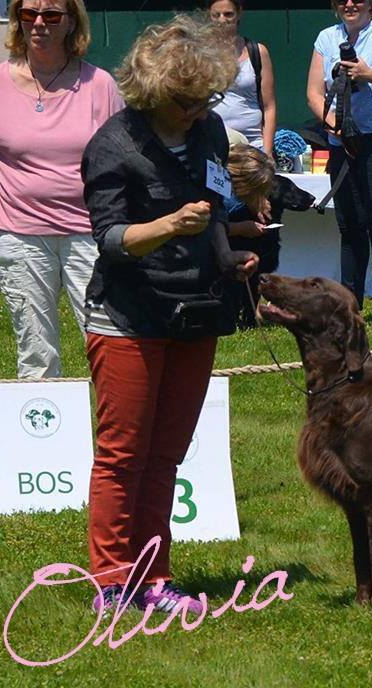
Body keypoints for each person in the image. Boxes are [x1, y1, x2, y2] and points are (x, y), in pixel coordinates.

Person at [81, 15, 258, 614]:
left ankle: (154, 580)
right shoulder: (113, 145)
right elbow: (107, 238)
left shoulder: (208, 134)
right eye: (185, 101)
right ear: (152, 93)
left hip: (193, 313)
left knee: (166, 456)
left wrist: (230, 256)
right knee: (122, 455)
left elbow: (212, 212)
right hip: (128, 316)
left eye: (205, 98)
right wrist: (164, 227)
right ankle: (110, 580)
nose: (196, 111)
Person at [0, 0, 123, 377]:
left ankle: (116, 435)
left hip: (90, 231)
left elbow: (125, 150)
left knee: (108, 344)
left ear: (71, 23)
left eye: (50, 15)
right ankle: (42, 433)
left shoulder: (99, 85)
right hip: (20, 234)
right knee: (36, 355)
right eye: (28, 14)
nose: (38, 24)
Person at [306, 0, 372, 330]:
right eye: (342, 0)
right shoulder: (326, 38)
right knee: (350, 225)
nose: (350, 4)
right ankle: (350, 305)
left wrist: (370, 75)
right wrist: (333, 123)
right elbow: (313, 92)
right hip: (343, 140)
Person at [208, 0, 276, 161]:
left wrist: (267, 151)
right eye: (216, 15)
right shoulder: (199, 52)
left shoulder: (257, 52)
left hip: (252, 146)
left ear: (239, 13)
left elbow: (269, 106)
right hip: (210, 144)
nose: (222, 20)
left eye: (228, 14)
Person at [225, 143, 278, 328]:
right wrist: (240, 228)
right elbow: (205, 229)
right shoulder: (215, 193)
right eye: (255, 191)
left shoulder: (237, 145)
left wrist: (258, 201)